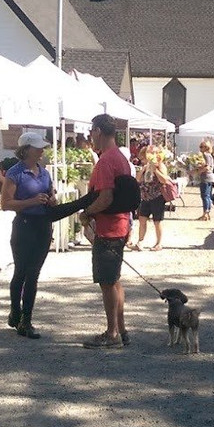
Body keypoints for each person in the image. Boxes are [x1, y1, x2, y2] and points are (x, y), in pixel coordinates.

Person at [78, 115, 132, 349]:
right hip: (121, 224)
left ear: (99, 131)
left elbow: (106, 196)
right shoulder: (120, 157)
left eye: (92, 131)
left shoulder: (106, 161)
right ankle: (121, 329)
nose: (91, 136)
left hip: (108, 228)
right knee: (115, 280)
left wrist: (87, 212)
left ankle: (112, 334)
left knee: (107, 282)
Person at [1, 131, 57, 340]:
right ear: (26, 150)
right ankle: (16, 311)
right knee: (21, 272)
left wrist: (52, 200)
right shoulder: (15, 173)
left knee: (33, 273)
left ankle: (26, 319)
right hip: (24, 226)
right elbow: (5, 203)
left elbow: (52, 195)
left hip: (42, 226)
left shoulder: (45, 172)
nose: (42, 150)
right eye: (38, 147)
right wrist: (31, 202)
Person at [133, 144, 172, 251]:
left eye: (144, 158)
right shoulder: (145, 167)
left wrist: (155, 170)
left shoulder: (160, 166)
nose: (142, 160)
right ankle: (140, 241)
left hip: (157, 197)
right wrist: (142, 170)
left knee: (157, 221)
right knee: (142, 219)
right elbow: (137, 180)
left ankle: (159, 243)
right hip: (145, 197)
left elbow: (164, 180)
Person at [196, 140, 214, 221]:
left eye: (201, 146)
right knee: (207, 195)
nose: (200, 148)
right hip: (210, 177)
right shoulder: (210, 155)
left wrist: (197, 171)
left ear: (206, 148)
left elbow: (207, 167)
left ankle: (205, 213)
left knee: (205, 196)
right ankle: (207, 213)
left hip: (206, 177)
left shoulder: (205, 155)